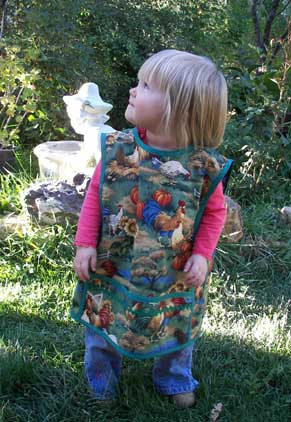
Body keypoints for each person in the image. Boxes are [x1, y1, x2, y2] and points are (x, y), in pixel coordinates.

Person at [71, 49, 232, 409]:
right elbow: (96, 197)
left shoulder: (203, 166)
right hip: (114, 263)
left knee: (177, 324)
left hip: (173, 270)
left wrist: (204, 255)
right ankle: (102, 383)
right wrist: (84, 244)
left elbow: (214, 213)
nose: (133, 89)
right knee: (102, 320)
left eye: (145, 85)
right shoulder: (118, 149)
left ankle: (174, 379)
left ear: (180, 108)